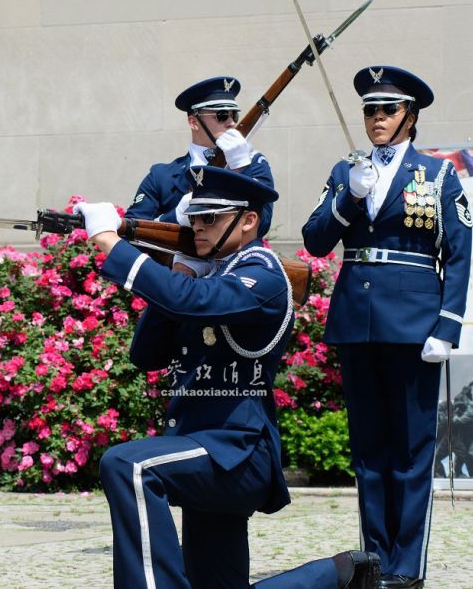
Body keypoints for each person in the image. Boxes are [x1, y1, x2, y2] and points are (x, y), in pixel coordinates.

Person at [74, 166, 380, 589]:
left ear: (248, 220)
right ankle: (338, 574)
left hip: (238, 452)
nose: (198, 227)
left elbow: (192, 302)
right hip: (201, 449)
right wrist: (180, 273)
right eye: (194, 218)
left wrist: (111, 242)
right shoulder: (213, 275)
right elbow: (146, 355)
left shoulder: (264, 274)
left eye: (210, 218)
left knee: (129, 465)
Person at [302, 66, 473, 589]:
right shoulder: (345, 172)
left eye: (388, 109)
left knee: (411, 452)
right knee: (369, 453)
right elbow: (315, 241)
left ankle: (406, 567)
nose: (377, 118)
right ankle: (374, 562)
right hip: (357, 321)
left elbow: (458, 254)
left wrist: (447, 325)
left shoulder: (437, 175)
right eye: (370, 110)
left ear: (410, 116)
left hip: (414, 326)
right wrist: (350, 198)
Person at [125, 76, 275, 237]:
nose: (231, 123)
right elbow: (130, 231)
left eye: (234, 115)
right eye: (222, 115)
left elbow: (262, 224)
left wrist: (241, 167)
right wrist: (176, 217)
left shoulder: (254, 163)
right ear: (194, 122)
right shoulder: (161, 176)